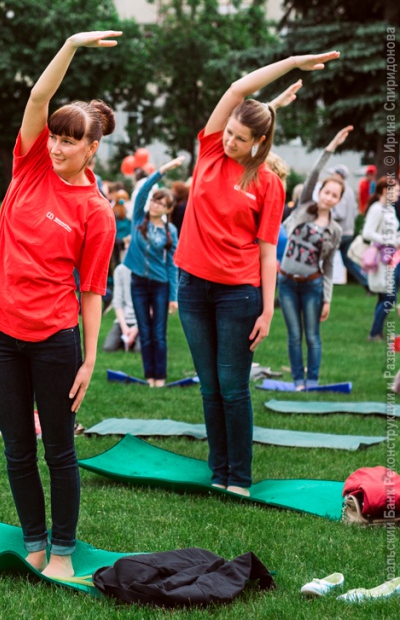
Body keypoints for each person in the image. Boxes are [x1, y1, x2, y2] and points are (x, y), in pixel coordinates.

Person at [0, 31, 119, 580]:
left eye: (70, 140)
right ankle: (34, 540)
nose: (57, 146)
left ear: (92, 147)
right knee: (17, 448)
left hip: (55, 339)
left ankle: (63, 550)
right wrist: (70, 45)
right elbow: (38, 100)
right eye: (56, 137)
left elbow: (92, 290)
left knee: (58, 450)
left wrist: (87, 360)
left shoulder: (96, 211)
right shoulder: (30, 164)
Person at [175, 50, 338, 497]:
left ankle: (239, 479)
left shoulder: (268, 182)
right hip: (191, 287)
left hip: (238, 295)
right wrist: (292, 61)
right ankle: (218, 469)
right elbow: (237, 90)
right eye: (228, 131)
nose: (229, 140)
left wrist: (267, 309)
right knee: (209, 387)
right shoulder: (209, 149)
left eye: (239, 137)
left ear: (258, 143)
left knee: (233, 388)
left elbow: (269, 252)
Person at [278, 127, 350, 389]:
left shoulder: (335, 229)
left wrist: (327, 298)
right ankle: (298, 381)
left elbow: (329, 266)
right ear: (320, 192)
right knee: (294, 335)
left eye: (335, 195)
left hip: (312, 285)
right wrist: (332, 145)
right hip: (286, 282)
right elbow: (314, 173)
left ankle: (313, 380)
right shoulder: (303, 208)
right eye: (326, 192)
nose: (329, 197)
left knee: (312, 336)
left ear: (338, 200)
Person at [124, 156, 185, 386]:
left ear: (168, 209)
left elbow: (172, 265)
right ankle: (149, 376)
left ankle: (160, 377)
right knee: (145, 331)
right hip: (138, 283)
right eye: (155, 201)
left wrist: (173, 297)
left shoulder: (170, 230)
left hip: (160, 286)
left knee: (158, 333)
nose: (156, 204)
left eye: (161, 203)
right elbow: (143, 192)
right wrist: (163, 170)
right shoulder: (139, 219)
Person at [364, 177, 400, 340]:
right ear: (386, 190)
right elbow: (367, 232)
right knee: (389, 296)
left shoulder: (390, 209)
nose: (398, 194)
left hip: (391, 257)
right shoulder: (377, 209)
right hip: (381, 258)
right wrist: (391, 240)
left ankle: (376, 331)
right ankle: (374, 332)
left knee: (385, 295)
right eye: (397, 190)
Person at [102, 263, 139, 352]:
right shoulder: (120, 270)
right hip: (123, 320)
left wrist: (136, 329)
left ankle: (133, 339)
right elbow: (117, 302)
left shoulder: (148, 269)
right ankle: (127, 339)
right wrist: (124, 327)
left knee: (139, 350)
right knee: (108, 347)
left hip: (142, 321)